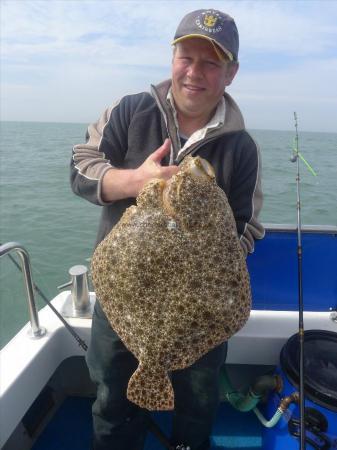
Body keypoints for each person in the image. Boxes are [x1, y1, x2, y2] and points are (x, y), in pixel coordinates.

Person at [71, 8, 264, 450]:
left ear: (230, 73)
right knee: (112, 402)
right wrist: (135, 181)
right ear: (173, 58)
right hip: (124, 297)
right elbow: (80, 168)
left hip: (199, 309)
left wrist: (205, 255)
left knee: (198, 405)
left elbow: (247, 227)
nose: (195, 72)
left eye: (211, 62)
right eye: (187, 57)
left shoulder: (241, 147)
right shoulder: (130, 110)